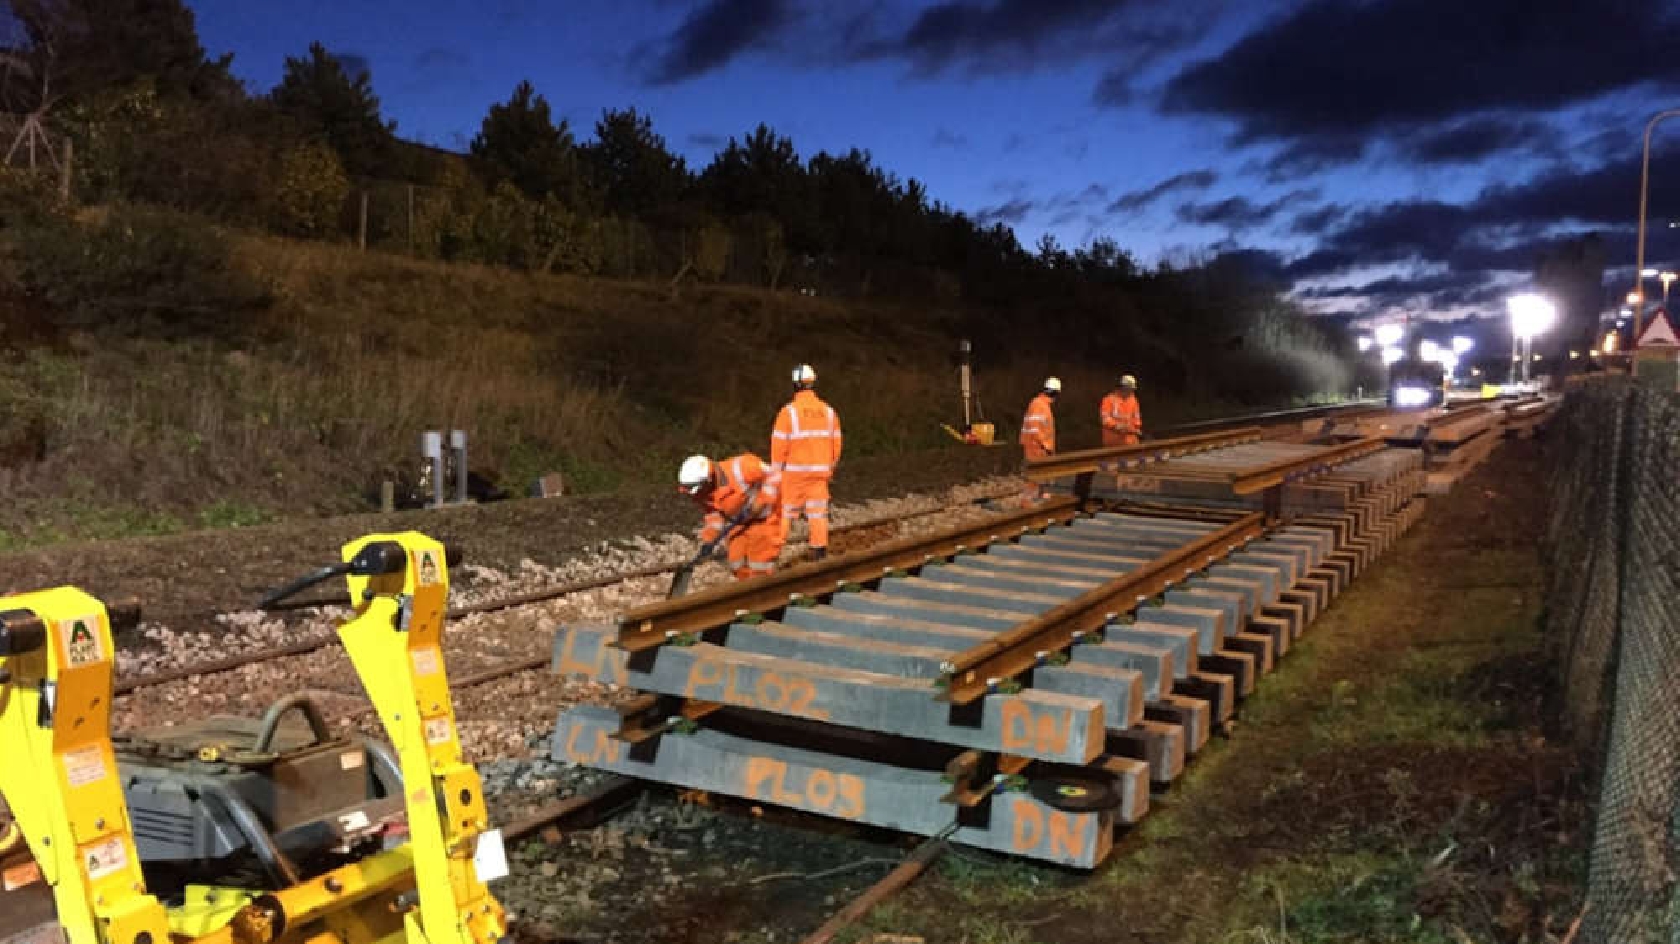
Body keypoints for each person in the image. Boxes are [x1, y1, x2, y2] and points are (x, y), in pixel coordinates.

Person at [771, 364, 843, 561]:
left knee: (785, 512)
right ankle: (819, 551)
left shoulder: (789, 412)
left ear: (795, 385)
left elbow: (779, 446)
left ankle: (773, 552)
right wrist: (830, 467)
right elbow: (837, 444)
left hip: (794, 474)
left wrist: (776, 474)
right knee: (818, 513)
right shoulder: (829, 412)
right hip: (820, 473)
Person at [677, 453, 784, 581]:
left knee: (760, 565)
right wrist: (709, 540)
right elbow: (714, 515)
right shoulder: (703, 493)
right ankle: (748, 592)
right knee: (736, 563)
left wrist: (761, 501)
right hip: (739, 523)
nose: (697, 495)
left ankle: (765, 593)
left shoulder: (742, 467)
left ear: (708, 480)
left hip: (765, 520)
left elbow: (775, 475)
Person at [1019, 377, 1060, 500]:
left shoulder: (1042, 404)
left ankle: (1037, 499)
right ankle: (1028, 502)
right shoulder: (1039, 405)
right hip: (1036, 446)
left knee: (1040, 475)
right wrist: (1046, 445)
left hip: (1038, 446)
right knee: (1034, 476)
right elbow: (1035, 429)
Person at [1100, 375, 1143, 447]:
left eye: (1132, 389)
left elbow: (1137, 417)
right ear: (1122, 387)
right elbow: (1105, 419)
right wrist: (1117, 426)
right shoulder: (1108, 400)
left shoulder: (1133, 400)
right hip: (1113, 441)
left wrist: (1136, 428)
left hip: (1131, 441)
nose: (1131, 392)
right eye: (1129, 389)